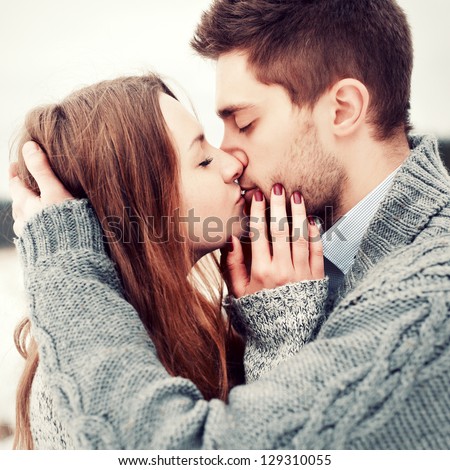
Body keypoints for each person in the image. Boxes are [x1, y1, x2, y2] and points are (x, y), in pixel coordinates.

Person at [10, 0, 450, 449]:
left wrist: (65, 266)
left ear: (342, 109)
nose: (231, 158)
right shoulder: (284, 269)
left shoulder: (428, 297)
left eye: (245, 122)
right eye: (203, 155)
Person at [9, 73, 326, 449]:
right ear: (138, 206)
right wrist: (282, 333)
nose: (232, 164)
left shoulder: (198, 327)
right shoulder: (67, 393)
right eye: (204, 159)